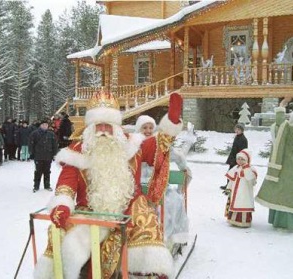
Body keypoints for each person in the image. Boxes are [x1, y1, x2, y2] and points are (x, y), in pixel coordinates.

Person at [33, 91, 184, 279]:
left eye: (108, 125)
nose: (103, 130)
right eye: (98, 125)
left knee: (146, 219)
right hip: (88, 208)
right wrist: (62, 204)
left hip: (129, 206)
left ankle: (149, 269)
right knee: (58, 230)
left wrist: (171, 123)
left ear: (116, 126)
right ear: (90, 128)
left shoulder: (132, 144)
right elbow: (67, 183)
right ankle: (63, 273)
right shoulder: (77, 151)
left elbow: (158, 145)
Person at [135, 114, 191, 253]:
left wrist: (185, 169)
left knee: (172, 202)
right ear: (138, 129)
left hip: (159, 187)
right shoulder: (133, 145)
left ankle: (167, 240)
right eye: (144, 128)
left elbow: (177, 157)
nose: (148, 130)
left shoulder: (161, 145)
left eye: (150, 128)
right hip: (138, 187)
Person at [256, 97, 293, 231]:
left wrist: (282, 105)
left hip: (287, 166)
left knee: (283, 193)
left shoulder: (290, 130)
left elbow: (279, 124)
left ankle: (283, 222)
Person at [223, 149, 257, 228]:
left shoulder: (251, 169)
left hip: (245, 192)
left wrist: (246, 168)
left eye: (243, 159)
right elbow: (231, 180)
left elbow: (251, 179)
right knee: (235, 204)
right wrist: (228, 188)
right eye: (238, 159)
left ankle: (244, 222)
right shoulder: (236, 168)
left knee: (243, 204)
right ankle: (233, 220)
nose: (240, 161)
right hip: (236, 192)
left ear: (247, 160)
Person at [29, 119, 58, 192]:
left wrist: (55, 154)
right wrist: (31, 153)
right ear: (40, 125)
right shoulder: (35, 133)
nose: (45, 126)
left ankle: (47, 185)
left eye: (46, 125)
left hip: (48, 156)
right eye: (43, 125)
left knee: (47, 171)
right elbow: (31, 144)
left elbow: (54, 145)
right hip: (38, 156)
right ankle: (36, 186)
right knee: (38, 172)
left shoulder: (51, 134)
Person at [220, 123, 248, 190]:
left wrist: (240, 159)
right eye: (236, 129)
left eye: (239, 129)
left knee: (234, 173)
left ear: (242, 130)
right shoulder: (237, 137)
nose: (237, 131)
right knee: (230, 172)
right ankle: (228, 185)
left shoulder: (243, 139)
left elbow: (243, 151)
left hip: (238, 159)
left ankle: (232, 187)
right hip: (233, 158)